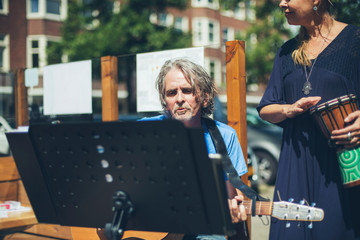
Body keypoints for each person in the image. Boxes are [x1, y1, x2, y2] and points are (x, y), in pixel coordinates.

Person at [257, 0, 360, 239]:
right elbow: (265, 108)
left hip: (344, 165)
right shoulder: (286, 51)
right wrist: (288, 109)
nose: (282, 3)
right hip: (296, 162)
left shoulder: (355, 41)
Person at [141, 58, 248, 239]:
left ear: (205, 97)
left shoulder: (224, 136)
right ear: (164, 100)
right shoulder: (145, 131)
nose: (180, 99)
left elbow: (233, 195)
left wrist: (237, 206)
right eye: (171, 93)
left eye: (187, 91)